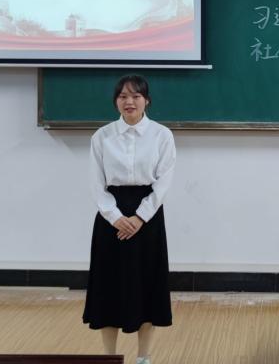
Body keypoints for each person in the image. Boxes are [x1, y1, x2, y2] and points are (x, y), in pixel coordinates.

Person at [83, 74, 175, 364]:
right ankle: (108, 358)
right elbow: (96, 184)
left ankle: (143, 357)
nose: (129, 101)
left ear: (147, 100)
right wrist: (115, 217)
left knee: (147, 285)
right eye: (123, 96)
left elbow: (163, 182)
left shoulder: (162, 135)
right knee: (108, 286)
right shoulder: (102, 136)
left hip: (148, 217)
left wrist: (139, 217)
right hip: (111, 217)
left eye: (136, 96)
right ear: (116, 102)